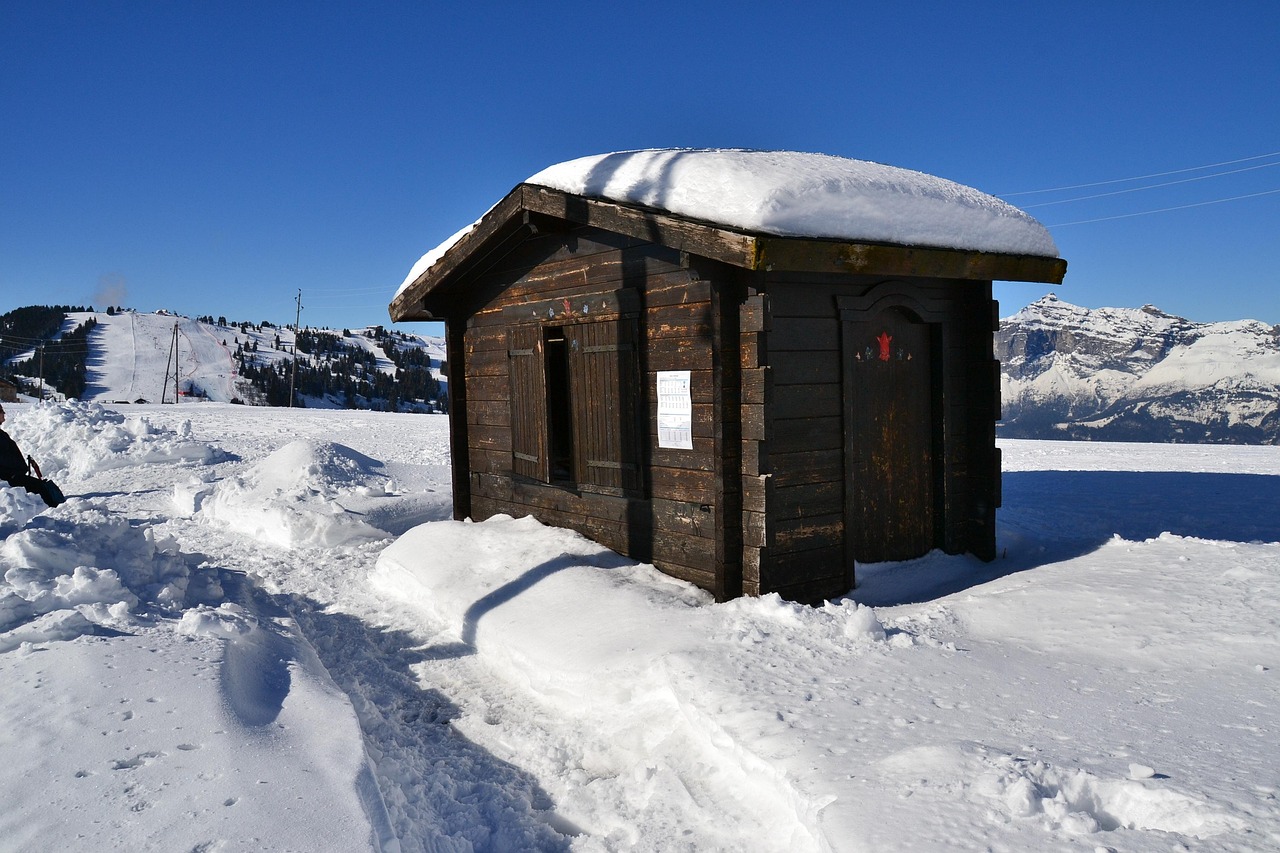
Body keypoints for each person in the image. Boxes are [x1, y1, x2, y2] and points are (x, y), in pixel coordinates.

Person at [0, 403, 65, 507]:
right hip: (10, 478)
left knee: (42, 488)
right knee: (41, 488)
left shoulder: (1, 434)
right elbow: (3, 458)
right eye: (1, 412)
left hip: (13, 475)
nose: (4, 414)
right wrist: (16, 469)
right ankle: (55, 511)